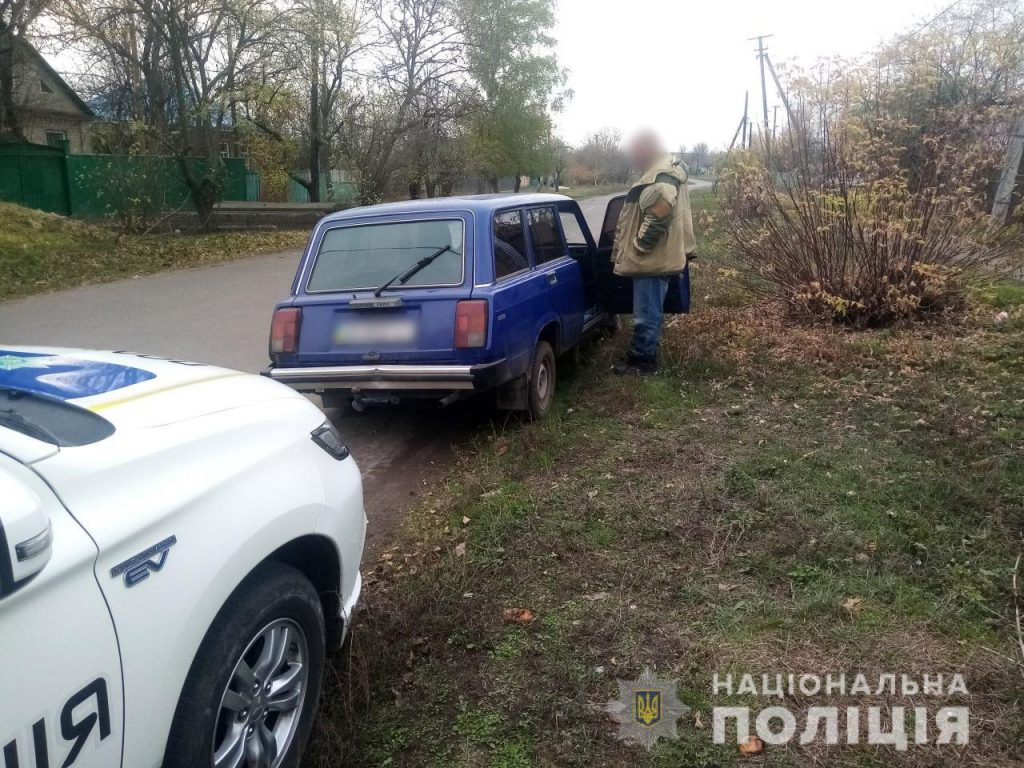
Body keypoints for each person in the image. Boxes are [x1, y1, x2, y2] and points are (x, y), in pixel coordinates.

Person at [610, 131, 696, 374]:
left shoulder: (660, 177)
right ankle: (646, 355)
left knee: (646, 312)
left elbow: (660, 213)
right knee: (651, 310)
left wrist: (639, 246)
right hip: (660, 256)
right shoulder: (663, 171)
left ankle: (642, 363)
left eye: (636, 150)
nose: (633, 156)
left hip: (652, 259)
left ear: (648, 149)